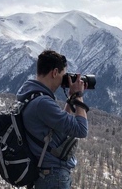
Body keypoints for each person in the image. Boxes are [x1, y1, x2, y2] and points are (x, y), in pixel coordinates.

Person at [16, 50, 88, 189]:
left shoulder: (30, 95)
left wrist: (70, 100)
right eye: (63, 75)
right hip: (53, 178)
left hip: (44, 176)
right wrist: (79, 96)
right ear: (55, 72)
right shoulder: (42, 102)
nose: (63, 80)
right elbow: (81, 130)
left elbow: (56, 126)